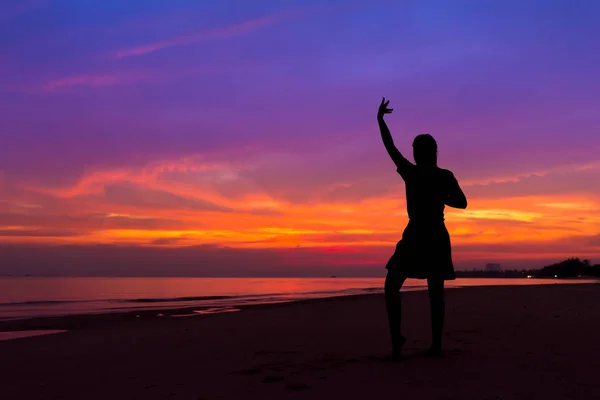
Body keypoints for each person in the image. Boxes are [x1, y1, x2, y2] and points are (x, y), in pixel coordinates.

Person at [377, 97, 467, 360]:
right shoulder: (440, 176)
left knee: (405, 286)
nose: (415, 153)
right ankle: (414, 343)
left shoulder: (419, 173)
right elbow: (461, 202)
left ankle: (409, 343)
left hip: (421, 234)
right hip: (427, 235)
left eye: (417, 149)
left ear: (425, 152)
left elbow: (390, 148)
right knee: (422, 289)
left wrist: (380, 121)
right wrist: (381, 121)